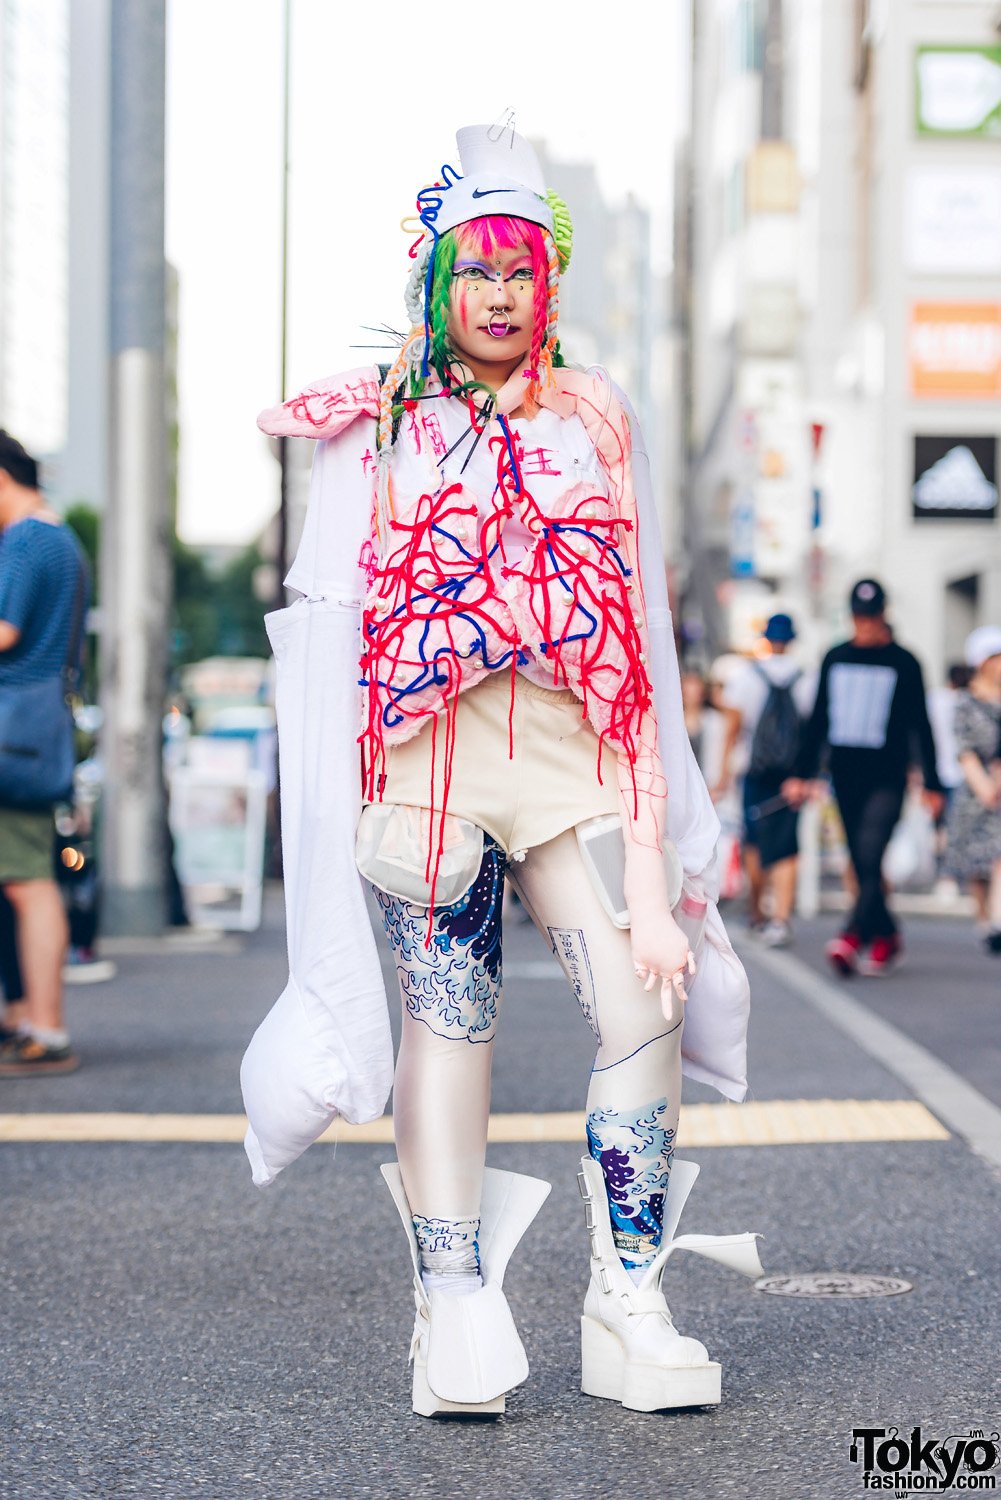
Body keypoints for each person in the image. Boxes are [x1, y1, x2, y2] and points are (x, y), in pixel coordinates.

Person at [241, 124, 761, 1419]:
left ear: (551, 280)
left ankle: (626, 1300)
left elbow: (639, 622)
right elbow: (325, 635)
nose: (500, 293)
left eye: (523, 267)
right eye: (476, 268)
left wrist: (665, 831)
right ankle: (453, 1297)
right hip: (433, 759)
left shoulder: (598, 415)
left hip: (579, 758)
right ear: (437, 278)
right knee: (451, 1022)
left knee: (644, 1001)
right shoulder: (374, 423)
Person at [783, 579, 944, 977]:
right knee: (860, 857)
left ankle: (852, 934)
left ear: (884, 615)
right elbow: (818, 719)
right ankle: (887, 935)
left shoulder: (905, 662)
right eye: (859, 617)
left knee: (871, 849)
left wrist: (934, 782)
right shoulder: (835, 657)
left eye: (872, 617)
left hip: (889, 775)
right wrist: (801, 774)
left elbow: (920, 726)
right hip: (845, 774)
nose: (866, 625)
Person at [0, 431, 88, 1074]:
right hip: (32, 730)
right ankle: (24, 1016)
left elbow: (5, 632)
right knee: (22, 877)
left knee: (29, 879)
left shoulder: (28, 541)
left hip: (13, 733)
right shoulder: (56, 539)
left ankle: (45, 1027)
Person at [718, 614, 814, 947]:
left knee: (755, 842)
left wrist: (723, 772)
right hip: (792, 776)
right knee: (787, 846)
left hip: (754, 771)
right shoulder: (807, 679)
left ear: (765, 638)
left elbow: (732, 729)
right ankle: (781, 918)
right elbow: (813, 732)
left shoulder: (745, 677)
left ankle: (757, 912)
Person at [945, 626, 1001, 954]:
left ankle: (997, 921)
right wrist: (983, 784)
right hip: (974, 789)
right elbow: (963, 747)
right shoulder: (966, 702)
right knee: (976, 862)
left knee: (998, 856)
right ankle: (984, 918)